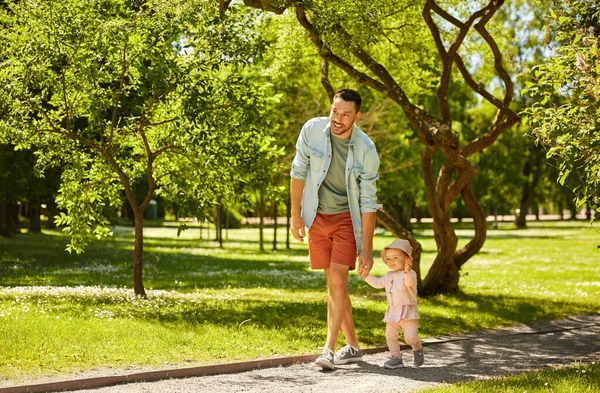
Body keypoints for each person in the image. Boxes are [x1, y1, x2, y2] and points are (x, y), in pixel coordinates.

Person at [290, 88, 381, 370]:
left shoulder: (365, 149)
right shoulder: (312, 130)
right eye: (335, 111)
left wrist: (367, 248)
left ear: (357, 116)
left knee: (339, 279)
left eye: (346, 114)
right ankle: (352, 346)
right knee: (334, 285)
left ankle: (328, 349)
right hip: (317, 216)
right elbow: (298, 171)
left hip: (346, 219)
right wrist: (295, 215)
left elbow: (368, 201)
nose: (338, 119)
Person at [362, 238, 424, 368]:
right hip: (393, 311)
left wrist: (407, 270)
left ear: (407, 258)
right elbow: (378, 283)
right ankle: (396, 358)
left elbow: (409, 284)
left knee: (410, 338)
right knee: (390, 336)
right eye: (388, 258)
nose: (391, 261)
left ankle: (417, 349)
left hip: (408, 311)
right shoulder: (388, 275)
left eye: (395, 257)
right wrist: (366, 276)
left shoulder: (410, 274)